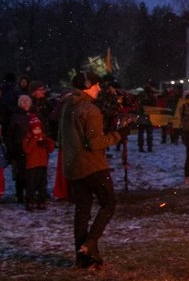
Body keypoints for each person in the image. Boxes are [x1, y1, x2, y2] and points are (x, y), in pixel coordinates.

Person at [58, 71, 126, 269]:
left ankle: (82, 258)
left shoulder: (67, 106)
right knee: (109, 203)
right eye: (96, 85)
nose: (98, 88)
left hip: (73, 167)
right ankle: (90, 243)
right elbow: (95, 143)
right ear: (88, 86)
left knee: (82, 210)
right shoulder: (89, 109)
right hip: (93, 166)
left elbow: (62, 139)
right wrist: (118, 135)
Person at [21, 115, 54, 210]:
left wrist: (47, 142)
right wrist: (35, 140)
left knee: (42, 184)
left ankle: (41, 201)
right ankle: (30, 201)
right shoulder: (28, 138)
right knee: (31, 184)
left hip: (42, 164)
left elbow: (50, 148)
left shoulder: (44, 137)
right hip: (32, 165)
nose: (38, 131)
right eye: (35, 129)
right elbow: (27, 150)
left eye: (39, 129)